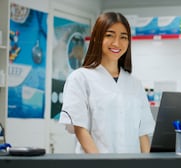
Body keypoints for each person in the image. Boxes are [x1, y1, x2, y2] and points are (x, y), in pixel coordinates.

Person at [59, 12, 155, 154]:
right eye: (109, 35)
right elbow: (80, 129)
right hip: (96, 166)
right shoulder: (80, 78)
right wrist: (102, 164)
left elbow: (142, 134)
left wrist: (149, 165)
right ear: (97, 38)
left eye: (123, 37)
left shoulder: (135, 84)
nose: (117, 43)